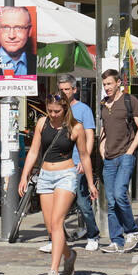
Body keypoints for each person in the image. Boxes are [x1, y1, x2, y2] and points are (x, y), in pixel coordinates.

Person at [18, 92, 97, 275]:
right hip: (45, 176)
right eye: (50, 110)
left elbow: (84, 156)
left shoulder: (75, 127)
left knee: (57, 221)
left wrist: (90, 183)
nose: (53, 114)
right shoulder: (42, 124)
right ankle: (69, 256)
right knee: (50, 227)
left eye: (57, 111)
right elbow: (34, 151)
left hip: (66, 175)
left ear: (65, 109)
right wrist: (24, 175)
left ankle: (54, 270)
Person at [44, 74, 100, 252]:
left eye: (67, 89)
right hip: (58, 165)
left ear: (74, 90)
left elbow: (90, 136)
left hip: (77, 163)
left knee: (83, 202)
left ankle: (93, 235)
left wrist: (86, 160)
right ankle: (54, 239)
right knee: (53, 207)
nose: (64, 92)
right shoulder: (55, 110)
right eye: (61, 89)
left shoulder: (83, 110)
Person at [97, 68, 138, 253]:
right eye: (104, 85)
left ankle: (131, 231)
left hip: (125, 155)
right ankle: (116, 241)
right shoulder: (104, 104)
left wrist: (131, 150)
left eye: (109, 84)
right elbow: (104, 127)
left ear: (118, 83)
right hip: (108, 158)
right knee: (111, 201)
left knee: (119, 194)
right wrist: (101, 145)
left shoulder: (129, 101)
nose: (107, 87)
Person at [0, 7, 36, 77]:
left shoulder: (38, 63)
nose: (11, 36)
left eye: (19, 28)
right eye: (5, 27)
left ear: (29, 31)